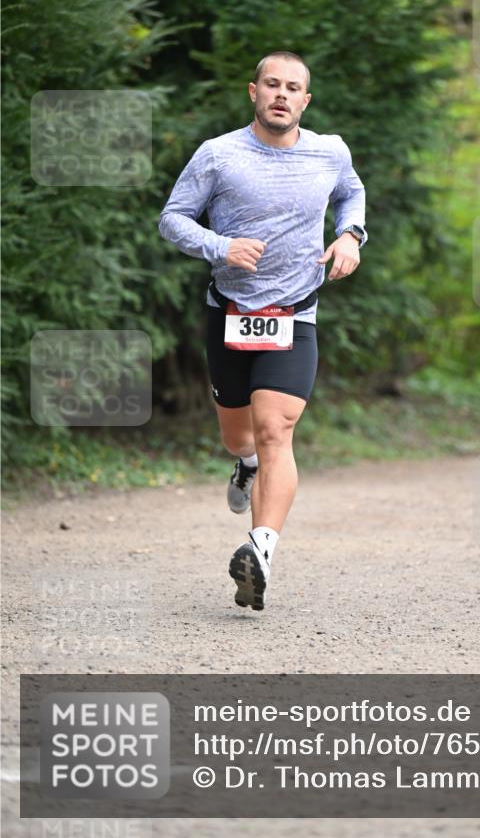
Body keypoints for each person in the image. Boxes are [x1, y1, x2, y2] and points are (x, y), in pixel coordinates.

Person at [158, 51, 367, 611]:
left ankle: (261, 550)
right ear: (254, 91)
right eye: (271, 84)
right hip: (229, 309)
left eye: (292, 87)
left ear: (305, 100)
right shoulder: (218, 155)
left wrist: (350, 236)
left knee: (276, 429)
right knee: (240, 436)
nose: (281, 94)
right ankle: (244, 465)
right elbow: (173, 218)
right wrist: (219, 246)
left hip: (295, 312)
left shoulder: (331, 151)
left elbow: (352, 192)